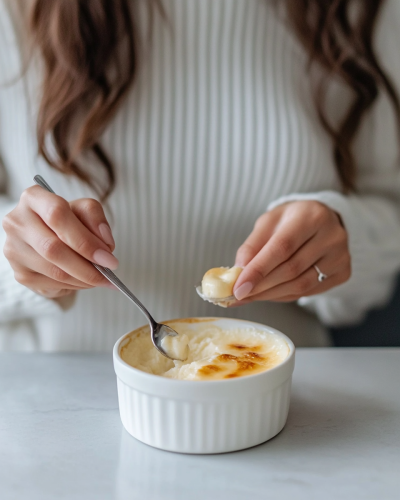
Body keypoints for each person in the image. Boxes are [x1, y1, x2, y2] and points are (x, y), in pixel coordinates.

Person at [1, 0, 400, 351]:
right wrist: (21, 260)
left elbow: (388, 207)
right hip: (53, 399)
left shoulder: (359, 9)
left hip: (287, 396)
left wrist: (347, 237)